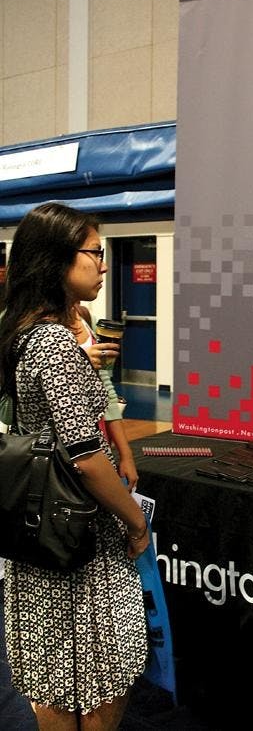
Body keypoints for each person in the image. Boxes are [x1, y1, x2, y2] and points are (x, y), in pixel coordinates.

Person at [0, 202, 149, 730]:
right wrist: (134, 521)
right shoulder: (55, 343)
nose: (103, 265)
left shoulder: (24, 333)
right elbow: (86, 456)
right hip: (81, 542)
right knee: (103, 674)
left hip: (43, 535)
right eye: (95, 253)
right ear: (58, 259)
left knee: (57, 677)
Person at [74, 302, 138, 491]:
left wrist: (126, 455)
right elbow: (8, 409)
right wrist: (76, 360)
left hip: (96, 438)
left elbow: (106, 390)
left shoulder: (84, 317)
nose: (103, 270)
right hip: (53, 448)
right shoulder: (23, 321)